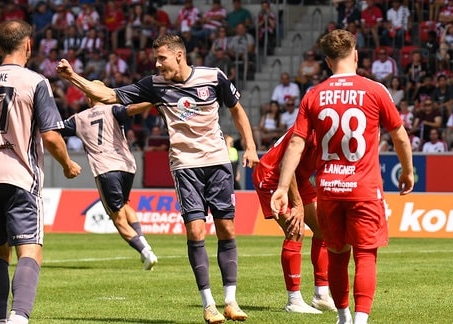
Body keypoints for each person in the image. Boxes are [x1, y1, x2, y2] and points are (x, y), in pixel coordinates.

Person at [57, 32, 259, 324]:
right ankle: (209, 305)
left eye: (161, 58)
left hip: (217, 162)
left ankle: (231, 301)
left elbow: (236, 110)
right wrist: (72, 76)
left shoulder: (213, 77)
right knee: (196, 233)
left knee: (227, 229)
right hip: (185, 166)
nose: (158, 63)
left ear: (179, 55)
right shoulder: (154, 85)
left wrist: (249, 146)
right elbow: (108, 95)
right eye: (156, 58)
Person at [270, 29, 414, 324]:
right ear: (356, 54)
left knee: (336, 254)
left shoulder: (313, 94)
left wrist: (283, 187)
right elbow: (399, 135)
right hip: (364, 188)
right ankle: (359, 321)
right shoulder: (375, 90)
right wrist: (408, 171)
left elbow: (296, 143)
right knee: (365, 255)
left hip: (329, 189)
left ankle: (343, 316)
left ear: (326, 60)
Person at [0, 20, 82, 324]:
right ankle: (19, 318)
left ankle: (1, 320)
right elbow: (52, 136)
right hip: (21, 177)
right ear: (28, 45)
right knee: (30, 251)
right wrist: (67, 164)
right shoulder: (35, 82)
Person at [60, 82, 159, 270]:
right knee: (125, 205)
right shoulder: (113, 109)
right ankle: (144, 243)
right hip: (127, 166)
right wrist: (154, 100)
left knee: (118, 219)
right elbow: (132, 109)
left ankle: (145, 252)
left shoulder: (78, 119)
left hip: (106, 169)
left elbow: (54, 130)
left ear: (89, 97)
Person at [252, 127, 336, 314]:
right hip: (272, 176)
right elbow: (284, 165)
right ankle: (294, 300)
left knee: (324, 229)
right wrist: (297, 204)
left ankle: (321, 295)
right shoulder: (310, 129)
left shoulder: (332, 128)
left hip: (297, 177)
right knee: (296, 231)